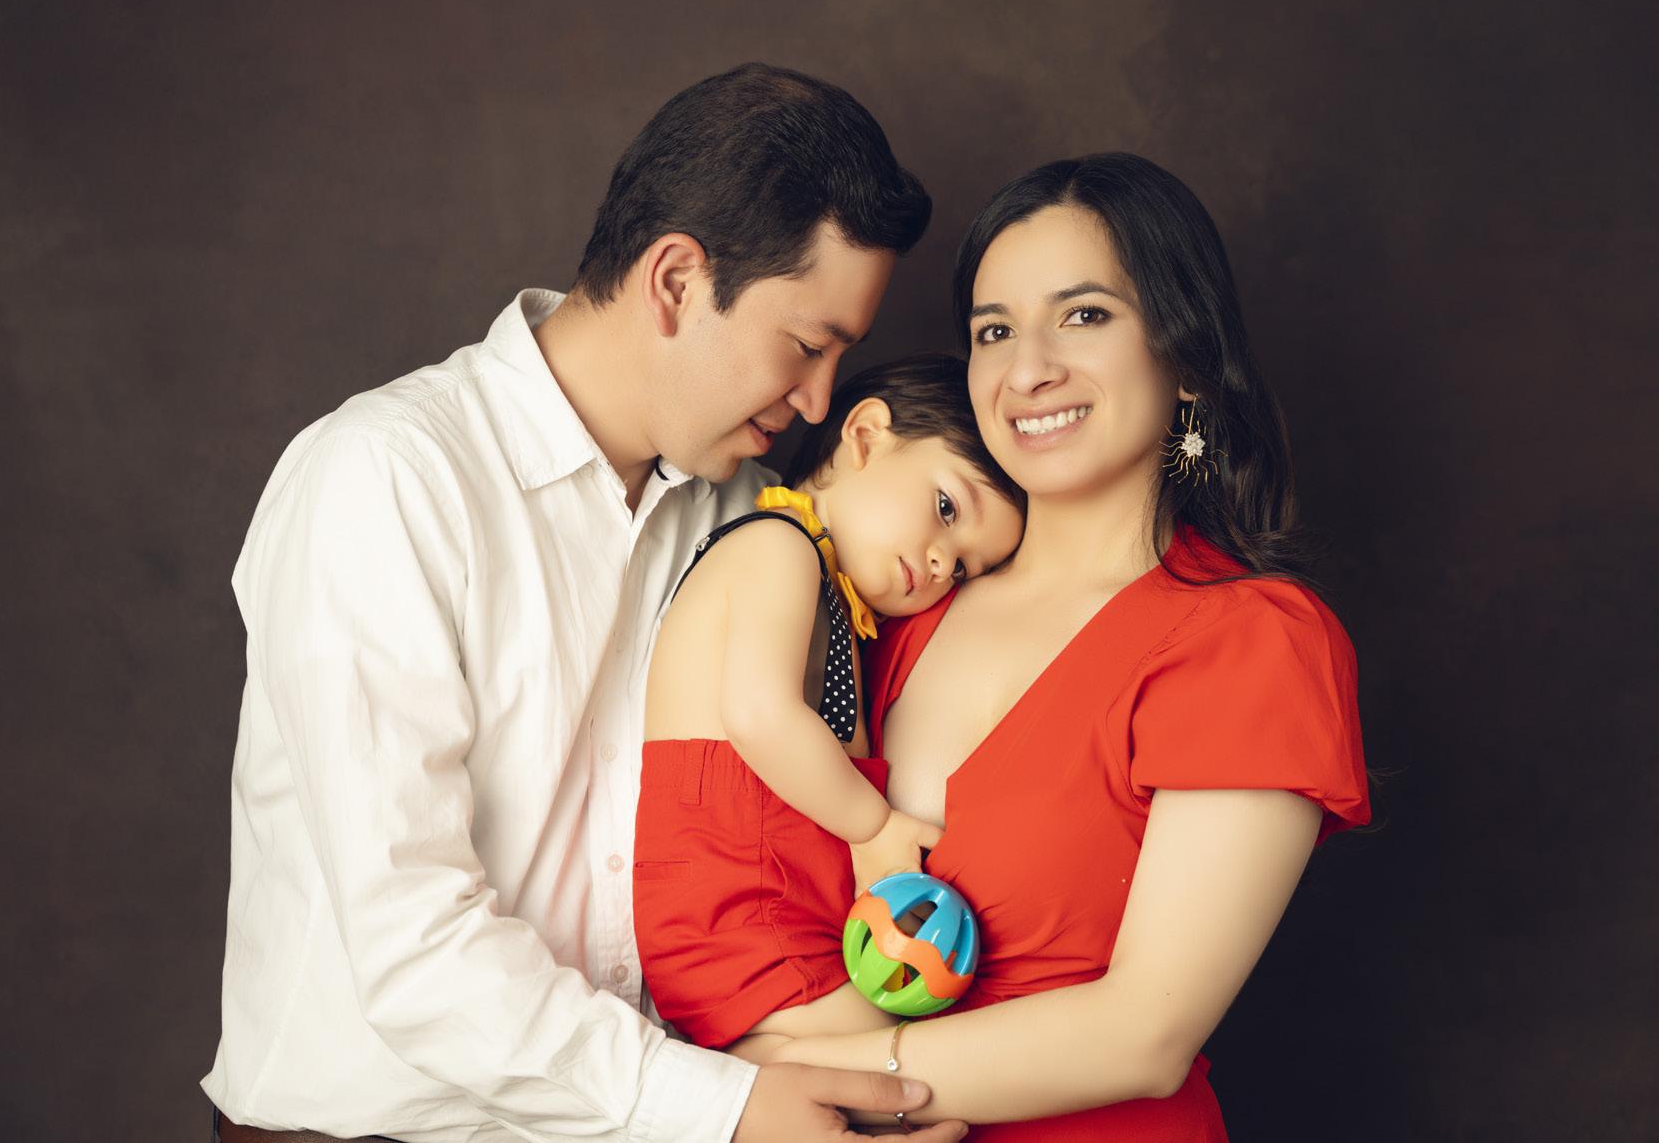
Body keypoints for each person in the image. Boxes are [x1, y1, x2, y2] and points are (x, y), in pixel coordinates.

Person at [201, 63, 970, 1143]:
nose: (815, 401)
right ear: (675, 280)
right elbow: (412, 941)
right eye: (805, 347)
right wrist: (721, 1109)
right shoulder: (383, 479)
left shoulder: (755, 519)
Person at [763, 153, 1372, 1140]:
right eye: (993, 330)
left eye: (1083, 315)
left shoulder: (1253, 639)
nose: (1027, 369)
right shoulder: (897, 605)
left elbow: (1143, 1034)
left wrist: (761, 1086)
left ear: (1184, 357)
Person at [634, 357, 1025, 1055]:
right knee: (921, 1066)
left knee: (894, 1064)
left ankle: (764, 1065)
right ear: (865, 437)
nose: (944, 563)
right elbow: (760, 716)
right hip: (735, 915)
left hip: (782, 917)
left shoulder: (837, 604)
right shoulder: (777, 546)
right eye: (946, 509)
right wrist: (875, 827)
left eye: (966, 567)